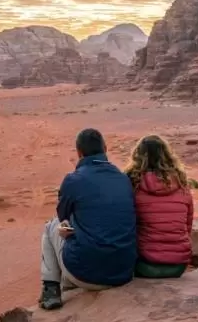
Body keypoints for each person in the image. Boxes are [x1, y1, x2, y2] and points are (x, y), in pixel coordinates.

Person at [39, 128, 137, 310]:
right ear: (105, 149)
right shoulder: (124, 179)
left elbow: (63, 217)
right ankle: (69, 282)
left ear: (79, 152)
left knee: (51, 226)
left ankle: (50, 289)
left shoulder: (73, 180)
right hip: (123, 273)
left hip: (85, 274)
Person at [126, 135, 193, 279]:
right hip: (178, 265)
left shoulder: (132, 184)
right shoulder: (181, 183)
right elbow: (188, 225)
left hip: (145, 265)